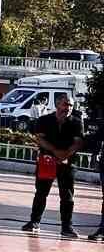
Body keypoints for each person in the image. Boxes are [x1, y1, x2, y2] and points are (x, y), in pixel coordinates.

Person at [23, 92, 84, 238]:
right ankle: (34, 221)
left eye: (70, 105)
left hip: (67, 163)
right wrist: (55, 151)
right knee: (41, 192)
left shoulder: (76, 122)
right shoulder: (44, 120)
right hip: (47, 161)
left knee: (67, 195)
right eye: (65, 104)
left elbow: (78, 142)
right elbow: (40, 139)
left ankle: (67, 226)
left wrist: (66, 154)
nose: (68, 108)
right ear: (57, 105)